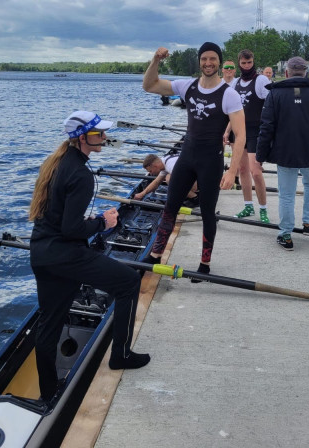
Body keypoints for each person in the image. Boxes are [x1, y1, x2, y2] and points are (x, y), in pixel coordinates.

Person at [29, 111, 150, 401]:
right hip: (67, 254)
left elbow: (59, 219)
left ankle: (48, 393)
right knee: (128, 282)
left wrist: (92, 219)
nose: (104, 139)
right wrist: (103, 223)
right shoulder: (81, 173)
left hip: (42, 254)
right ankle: (120, 355)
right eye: (99, 135)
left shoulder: (55, 162)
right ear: (81, 138)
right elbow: (72, 228)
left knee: (49, 323)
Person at [141, 43, 245, 277]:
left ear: (219, 62)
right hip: (187, 157)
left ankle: (205, 264)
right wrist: (155, 60)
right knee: (170, 207)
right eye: (204, 59)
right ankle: (155, 255)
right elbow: (149, 85)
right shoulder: (187, 86)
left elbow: (241, 136)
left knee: (208, 213)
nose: (208, 63)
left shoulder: (229, 94)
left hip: (211, 161)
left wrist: (232, 172)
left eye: (213, 59)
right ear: (199, 62)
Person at [256, 57, 309, 251]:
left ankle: (285, 234)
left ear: (286, 73)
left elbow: (266, 128)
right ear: (306, 73)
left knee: (287, 194)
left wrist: (260, 156)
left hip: (285, 153)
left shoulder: (275, 95)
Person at [226, 49, 270, 223]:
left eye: (249, 62)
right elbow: (231, 111)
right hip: (238, 131)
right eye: (243, 63)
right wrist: (226, 130)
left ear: (253, 61)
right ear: (239, 64)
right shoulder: (234, 83)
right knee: (243, 170)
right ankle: (248, 206)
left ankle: (264, 210)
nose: (246, 66)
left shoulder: (261, 80)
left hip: (255, 131)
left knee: (256, 172)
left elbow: (271, 104)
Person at [134, 153, 199, 207]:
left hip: (203, 181)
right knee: (172, 178)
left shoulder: (170, 165)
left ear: (155, 166)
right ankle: (190, 196)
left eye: (150, 171)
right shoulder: (165, 162)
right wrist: (142, 193)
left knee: (169, 178)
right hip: (198, 174)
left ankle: (195, 199)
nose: (151, 174)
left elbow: (189, 181)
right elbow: (156, 182)